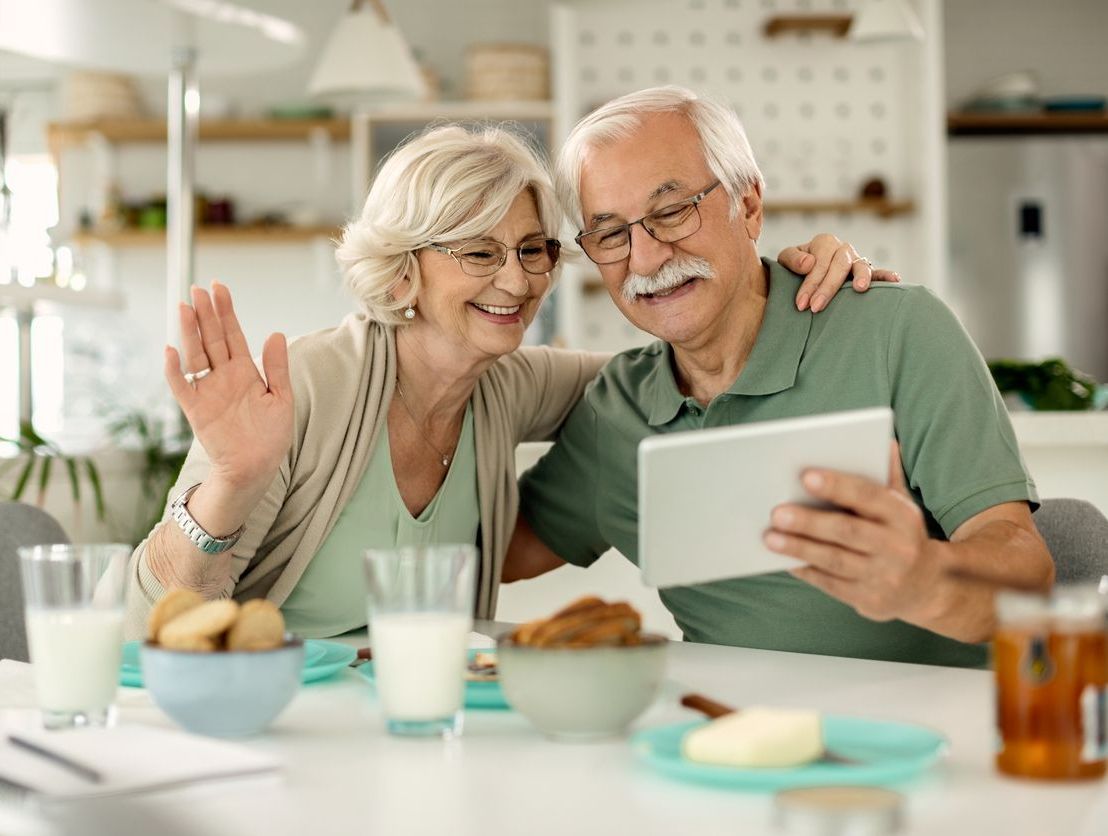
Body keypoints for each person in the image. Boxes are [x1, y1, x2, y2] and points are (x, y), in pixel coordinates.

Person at [122, 122, 892, 641]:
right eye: (478, 253)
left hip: (414, 726)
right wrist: (231, 481)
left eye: (534, 251)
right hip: (274, 728)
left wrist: (779, 278)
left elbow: (683, 364)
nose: (518, 281)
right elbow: (153, 627)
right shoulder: (315, 385)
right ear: (403, 266)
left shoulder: (506, 383)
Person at [506, 86, 1054, 668]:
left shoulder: (899, 331)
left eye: (670, 212)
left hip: (928, 734)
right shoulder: (616, 409)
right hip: (728, 735)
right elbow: (493, 554)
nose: (645, 259)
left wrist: (922, 580)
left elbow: (1027, 573)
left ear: (748, 206)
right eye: (611, 234)